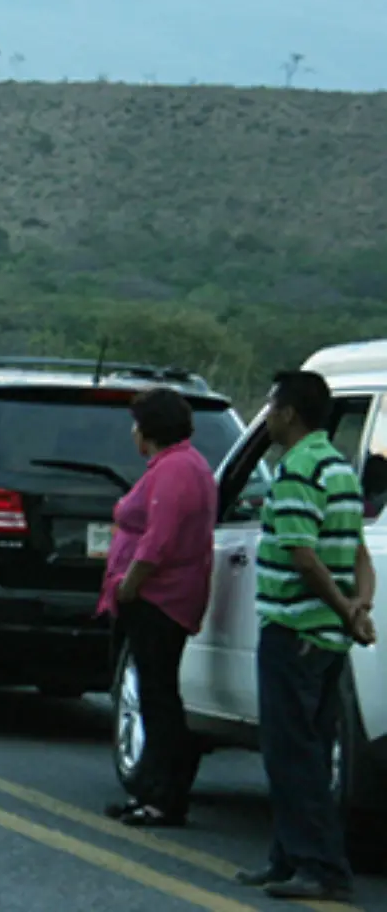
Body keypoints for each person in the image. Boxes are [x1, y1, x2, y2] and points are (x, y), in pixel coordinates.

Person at [236, 370, 377, 902]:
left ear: (290, 413)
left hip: (294, 627)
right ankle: (287, 858)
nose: (268, 416)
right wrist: (360, 605)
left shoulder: (296, 469)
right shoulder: (338, 468)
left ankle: (319, 867)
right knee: (311, 752)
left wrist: (343, 608)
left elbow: (303, 553)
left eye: (272, 407)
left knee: (290, 753)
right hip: (327, 637)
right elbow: (356, 550)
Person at [96, 388, 217, 827]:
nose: (132, 433)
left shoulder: (177, 470)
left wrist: (131, 583)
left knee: (158, 696)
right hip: (160, 596)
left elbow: (159, 539)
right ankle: (152, 788)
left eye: (136, 424)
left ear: (149, 430)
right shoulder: (179, 465)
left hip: (159, 598)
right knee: (153, 693)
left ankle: (165, 795)